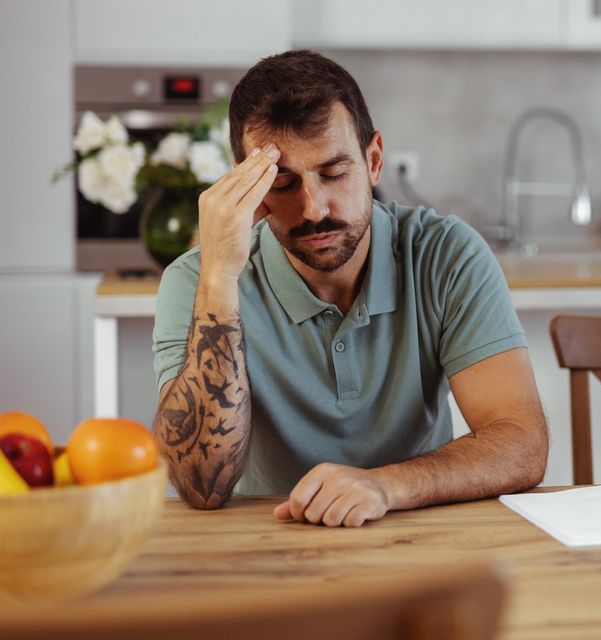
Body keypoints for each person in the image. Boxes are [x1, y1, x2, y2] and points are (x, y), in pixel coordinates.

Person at [152, 50, 548, 526]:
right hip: (267, 544)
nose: (314, 207)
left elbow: (522, 442)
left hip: (419, 530)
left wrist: (384, 484)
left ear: (374, 160)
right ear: (244, 183)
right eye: (281, 183)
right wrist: (219, 278)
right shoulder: (197, 279)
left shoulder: (446, 253)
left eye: (334, 173)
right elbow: (199, 485)